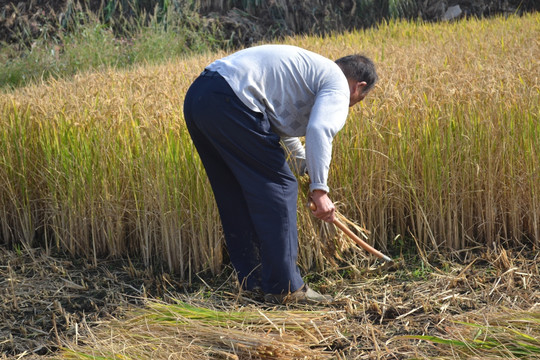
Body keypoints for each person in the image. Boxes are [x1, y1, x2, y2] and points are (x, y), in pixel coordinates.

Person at [183, 44, 378, 304]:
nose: (353, 104)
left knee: (235, 193)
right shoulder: (338, 84)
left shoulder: (311, 75)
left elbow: (279, 127)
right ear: (358, 86)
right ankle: (285, 288)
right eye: (359, 100)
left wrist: (303, 166)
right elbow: (320, 129)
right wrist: (320, 190)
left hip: (201, 96)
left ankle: (253, 282)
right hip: (232, 99)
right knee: (281, 186)